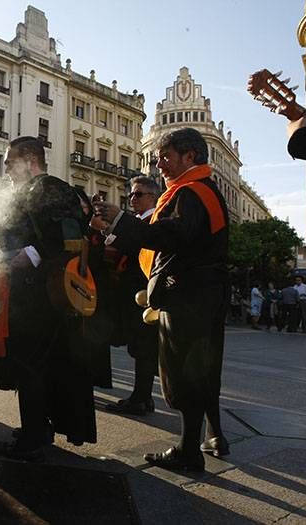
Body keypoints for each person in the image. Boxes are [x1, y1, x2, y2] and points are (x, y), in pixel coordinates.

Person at [94, 128, 230, 472]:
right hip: (205, 290)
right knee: (204, 366)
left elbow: (170, 236)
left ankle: (188, 449)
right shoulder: (204, 191)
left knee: (183, 369)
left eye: (166, 156)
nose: (159, 163)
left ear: (190, 157)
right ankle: (211, 435)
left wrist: (121, 219)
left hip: (188, 295)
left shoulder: (191, 192)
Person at [0, 136, 95, 461]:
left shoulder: (50, 187)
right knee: (31, 363)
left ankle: (34, 434)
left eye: (10, 161)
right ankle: (37, 425)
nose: (7, 168)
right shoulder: (24, 192)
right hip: (25, 292)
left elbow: (71, 231)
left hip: (45, 294)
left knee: (33, 365)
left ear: (29, 160)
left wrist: (31, 253)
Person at [106, 176, 160, 416]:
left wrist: (118, 220)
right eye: (131, 194)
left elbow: (139, 244)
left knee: (144, 348)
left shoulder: (153, 221)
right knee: (138, 347)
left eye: (138, 194)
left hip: (143, 294)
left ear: (152, 197)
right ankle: (142, 396)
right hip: (128, 292)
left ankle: (141, 397)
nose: (132, 199)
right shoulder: (137, 221)